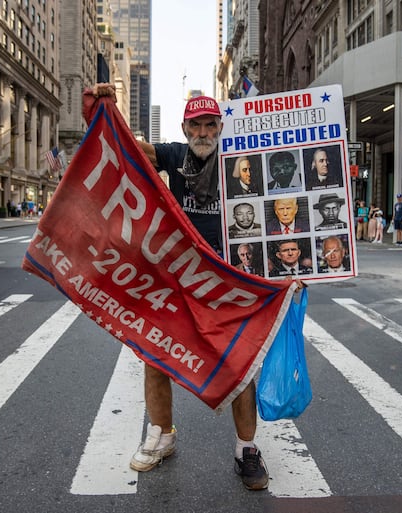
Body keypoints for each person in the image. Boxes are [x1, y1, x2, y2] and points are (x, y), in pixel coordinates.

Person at [85, 84, 270, 490]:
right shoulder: (174, 154)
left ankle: (247, 449)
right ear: (185, 129)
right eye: (196, 126)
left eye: (210, 124)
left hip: (227, 280)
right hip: (179, 277)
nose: (203, 132)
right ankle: (162, 434)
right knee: (155, 355)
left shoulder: (243, 158)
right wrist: (105, 107)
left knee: (240, 365)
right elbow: (127, 145)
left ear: (220, 126)